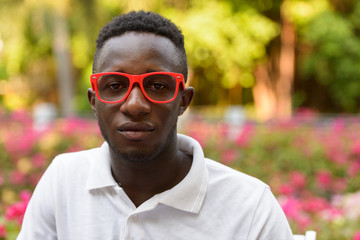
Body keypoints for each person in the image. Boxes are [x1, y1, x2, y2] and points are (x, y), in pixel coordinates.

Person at [18, 11, 294, 239]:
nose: (135, 104)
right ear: (94, 101)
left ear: (183, 100)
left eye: (157, 85)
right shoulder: (63, 181)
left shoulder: (250, 207)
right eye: (115, 85)